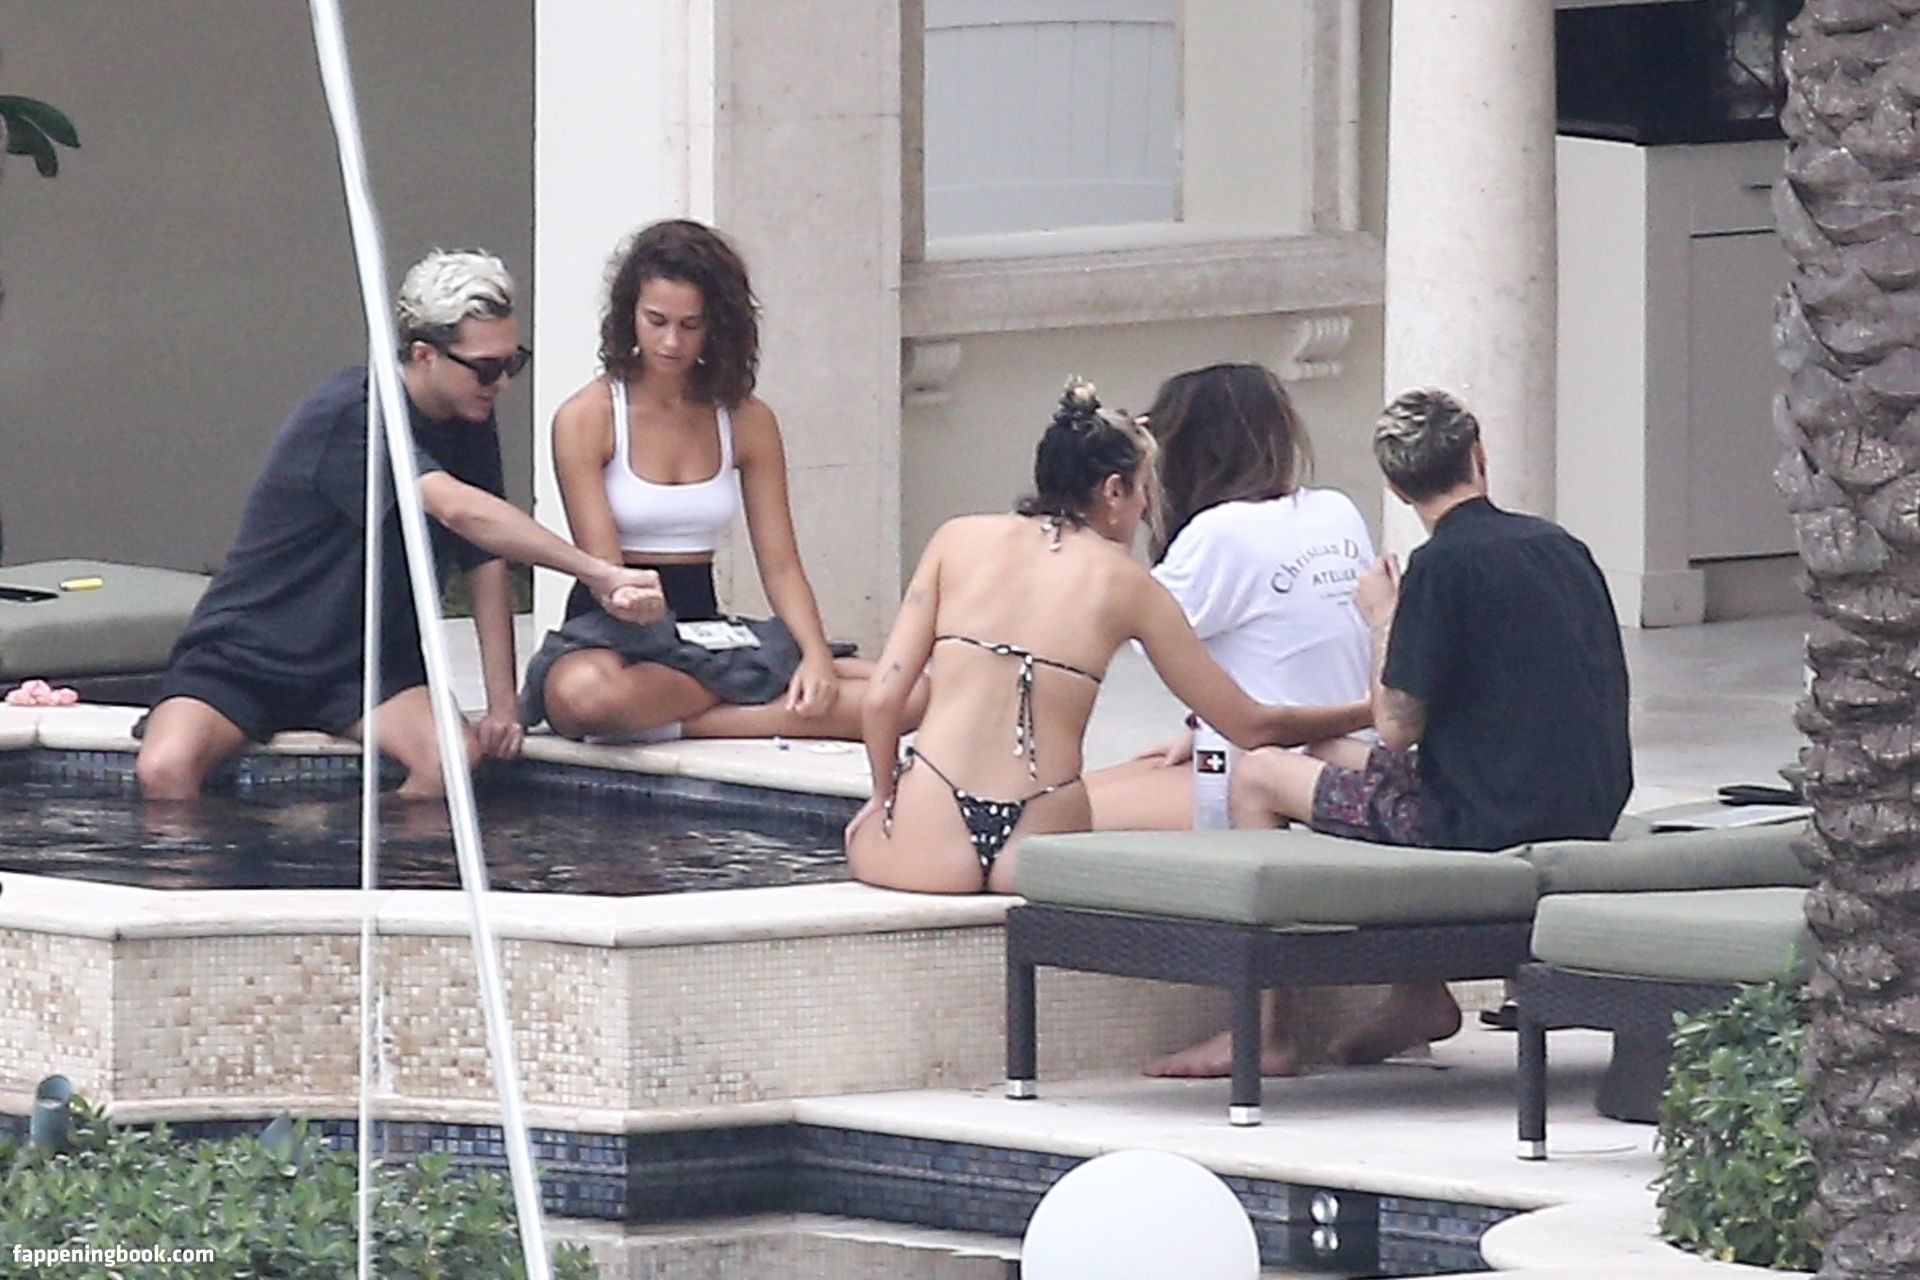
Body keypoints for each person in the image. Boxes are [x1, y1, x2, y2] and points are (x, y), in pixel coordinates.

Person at [1148, 387, 1632, 1078]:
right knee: (1320, 753)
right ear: (1479, 454)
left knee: (1258, 772)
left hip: (1478, 822)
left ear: (1395, 486)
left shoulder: (1441, 565)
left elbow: (1396, 728)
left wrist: (1383, 617)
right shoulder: (1561, 547)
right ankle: (1418, 996)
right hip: (1583, 802)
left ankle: (1267, 1030)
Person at [136, 250, 665, 801]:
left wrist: (503, 703)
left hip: (364, 667)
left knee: (452, 764)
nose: (501, 383)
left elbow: (485, 558)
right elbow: (456, 508)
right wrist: (599, 573)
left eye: (513, 364)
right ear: (424, 355)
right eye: (486, 368)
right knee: (166, 768)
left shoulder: (469, 416)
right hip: (248, 656)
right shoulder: (354, 414)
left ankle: (361, 845)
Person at [845, 379, 1374, 895]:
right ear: (1114, 491)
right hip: (1040, 842)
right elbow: (1252, 724)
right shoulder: (1129, 586)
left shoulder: (955, 539)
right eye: (1145, 489)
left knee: (857, 836)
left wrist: (883, 799)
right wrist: (1369, 712)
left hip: (930, 838)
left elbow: (883, 700)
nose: (1147, 507)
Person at [523, 220, 904, 742]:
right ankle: (745, 692)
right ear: (629, 315)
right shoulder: (587, 417)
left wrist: (816, 654)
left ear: (716, 326)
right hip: (613, 632)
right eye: (656, 321)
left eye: (691, 325)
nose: (671, 342)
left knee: (909, 693)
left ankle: (683, 718)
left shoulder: (747, 419)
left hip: (702, 626)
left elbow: (781, 565)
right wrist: (638, 605)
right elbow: (608, 573)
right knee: (586, 697)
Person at [1083, 363, 1374, 830]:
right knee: (1099, 788)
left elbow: (1117, 618)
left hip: (1262, 775)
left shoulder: (1219, 533)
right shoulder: (1335, 509)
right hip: (1342, 758)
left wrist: (1109, 507)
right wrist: (1199, 724)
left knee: (1047, 815)